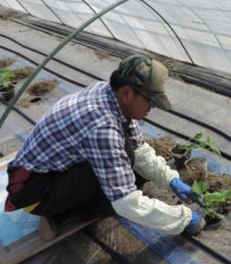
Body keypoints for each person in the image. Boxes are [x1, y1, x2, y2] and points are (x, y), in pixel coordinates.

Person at [4, 54, 205, 240]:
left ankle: (67, 203)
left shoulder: (111, 95)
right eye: (150, 101)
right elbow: (126, 202)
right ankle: (54, 213)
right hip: (33, 192)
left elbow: (138, 149)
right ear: (127, 92)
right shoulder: (101, 126)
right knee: (111, 203)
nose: (152, 107)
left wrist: (171, 180)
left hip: (51, 171)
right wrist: (184, 219)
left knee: (129, 158)